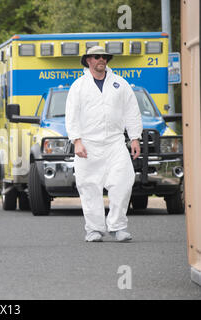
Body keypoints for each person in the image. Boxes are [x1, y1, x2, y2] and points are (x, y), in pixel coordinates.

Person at [65, 46, 142, 242]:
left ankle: (118, 226)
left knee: (123, 181)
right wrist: (77, 141)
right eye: (97, 57)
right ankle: (94, 229)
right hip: (88, 143)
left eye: (104, 57)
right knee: (89, 185)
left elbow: (131, 111)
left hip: (115, 141)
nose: (102, 60)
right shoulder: (79, 86)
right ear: (88, 60)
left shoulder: (120, 84)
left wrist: (134, 137)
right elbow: (71, 116)